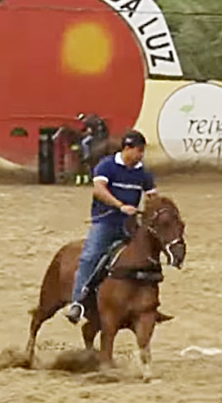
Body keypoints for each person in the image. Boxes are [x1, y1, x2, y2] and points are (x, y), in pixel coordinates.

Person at [65, 131, 157, 324]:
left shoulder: (143, 173)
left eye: (142, 151)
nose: (141, 155)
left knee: (147, 257)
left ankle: (148, 303)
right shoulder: (107, 166)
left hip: (130, 225)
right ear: (127, 148)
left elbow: (153, 197)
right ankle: (78, 303)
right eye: (139, 151)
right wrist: (120, 206)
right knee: (90, 257)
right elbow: (99, 190)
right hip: (105, 222)